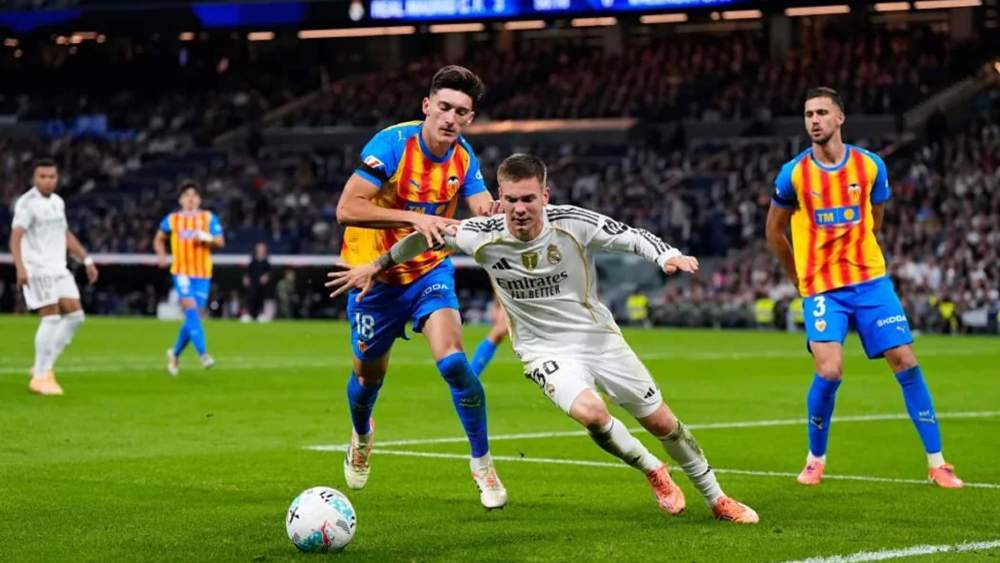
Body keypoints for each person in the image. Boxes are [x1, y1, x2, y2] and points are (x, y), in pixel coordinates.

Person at [328, 153, 759, 523]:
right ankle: (651, 469)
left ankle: (717, 498)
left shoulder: (572, 223)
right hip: (542, 351)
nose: (519, 208)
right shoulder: (480, 234)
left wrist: (666, 255)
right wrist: (377, 264)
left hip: (599, 340)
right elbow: (423, 238)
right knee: (591, 414)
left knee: (662, 422)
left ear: (544, 197)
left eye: (529, 199)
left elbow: (629, 236)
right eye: (511, 199)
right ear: (500, 199)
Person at [765, 87, 963, 488]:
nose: (814, 121)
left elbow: (876, 217)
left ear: (840, 118)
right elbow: (774, 232)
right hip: (822, 288)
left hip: (870, 282)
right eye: (808, 115)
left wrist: (862, 254)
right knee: (831, 370)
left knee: (905, 360)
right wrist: (799, 279)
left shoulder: (871, 167)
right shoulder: (794, 173)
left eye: (822, 113)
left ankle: (938, 463)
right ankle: (815, 458)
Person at [334, 65, 506, 509]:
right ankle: (362, 433)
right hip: (372, 273)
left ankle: (483, 463)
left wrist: (496, 210)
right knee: (367, 378)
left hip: (429, 271)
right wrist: (416, 217)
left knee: (452, 363)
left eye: (462, 112)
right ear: (427, 106)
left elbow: (480, 207)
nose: (451, 118)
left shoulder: (464, 157)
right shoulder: (392, 145)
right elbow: (347, 207)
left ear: (470, 119)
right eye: (444, 107)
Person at [10, 158, 98, 396]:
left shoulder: (58, 202)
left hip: (59, 267)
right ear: (34, 178)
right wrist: (20, 267)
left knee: (75, 316)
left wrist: (86, 259)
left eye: (52, 177)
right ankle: (39, 378)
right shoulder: (27, 204)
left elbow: (65, 233)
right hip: (37, 268)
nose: (48, 181)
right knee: (50, 317)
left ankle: (44, 367)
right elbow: (16, 237)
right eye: (43, 177)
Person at [154, 181, 225, 377]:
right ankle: (203, 354)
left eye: (194, 195)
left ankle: (174, 353)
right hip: (181, 272)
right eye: (186, 195)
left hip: (202, 274)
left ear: (199, 199)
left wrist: (207, 237)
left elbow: (220, 241)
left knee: (193, 316)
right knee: (192, 313)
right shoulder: (173, 219)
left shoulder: (208, 218)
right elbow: (159, 238)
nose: (190, 198)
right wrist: (161, 255)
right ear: (181, 200)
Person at [470, 299, 507, 377]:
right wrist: (497, 305)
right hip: (514, 298)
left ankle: (471, 377)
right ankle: (471, 377)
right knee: (497, 334)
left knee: (497, 334)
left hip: (531, 298)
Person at [245, 242, 272, 321]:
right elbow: (248, 271)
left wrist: (266, 276)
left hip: (262, 286)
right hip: (253, 284)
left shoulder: (266, 262)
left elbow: (269, 272)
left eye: (262, 248)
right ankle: (249, 315)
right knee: (251, 299)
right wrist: (246, 278)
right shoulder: (253, 261)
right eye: (259, 248)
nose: (260, 250)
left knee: (261, 299)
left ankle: (261, 314)